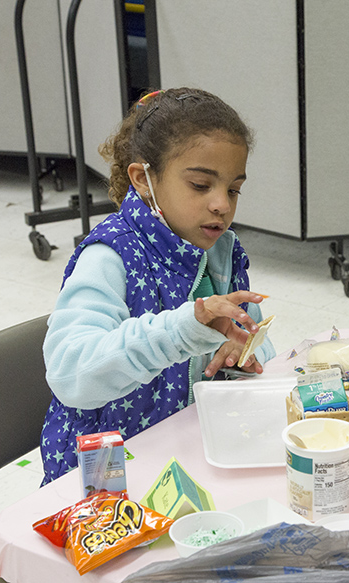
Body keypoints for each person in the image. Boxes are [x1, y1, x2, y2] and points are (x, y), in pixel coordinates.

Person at [41, 88, 276, 484]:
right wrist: (181, 333)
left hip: (187, 449)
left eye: (234, 188)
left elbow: (257, 338)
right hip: (108, 476)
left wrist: (243, 351)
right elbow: (70, 373)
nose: (222, 204)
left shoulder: (220, 250)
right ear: (144, 179)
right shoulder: (109, 256)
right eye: (201, 185)